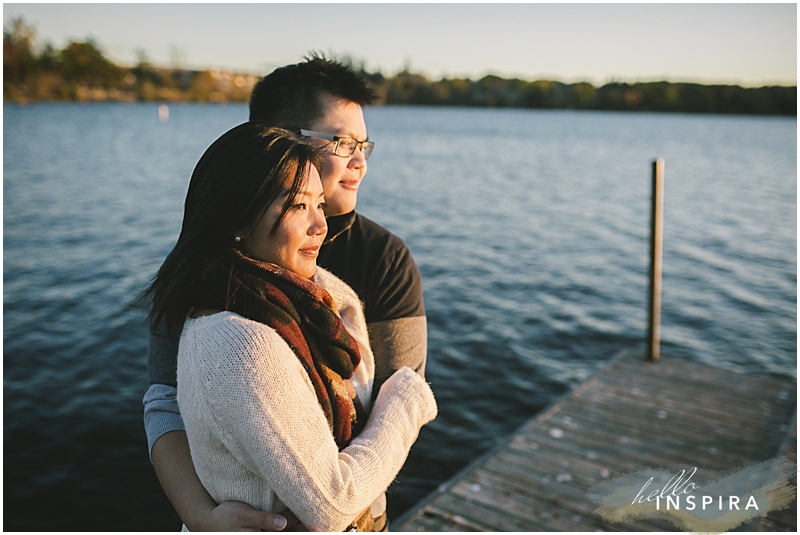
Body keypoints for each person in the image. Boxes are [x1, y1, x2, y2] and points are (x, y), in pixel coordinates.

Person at [143, 55, 429, 530]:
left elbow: (395, 401)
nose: (359, 160)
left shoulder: (383, 260)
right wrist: (201, 515)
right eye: (341, 141)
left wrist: (342, 507)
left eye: (364, 144)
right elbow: (165, 398)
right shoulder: (205, 263)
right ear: (273, 139)